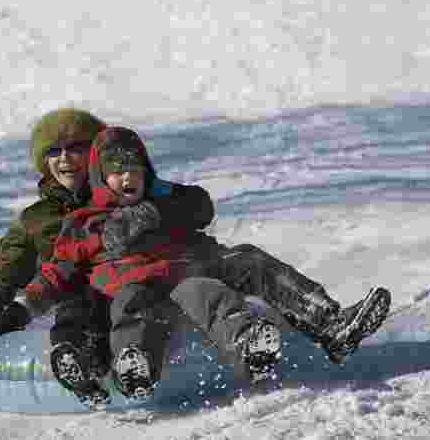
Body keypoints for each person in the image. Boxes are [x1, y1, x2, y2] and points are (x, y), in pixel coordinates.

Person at [0, 108, 216, 389]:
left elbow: (196, 211)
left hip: (148, 302)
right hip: (81, 313)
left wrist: (153, 211)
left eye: (76, 149)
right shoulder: (35, 221)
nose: (64, 159)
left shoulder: (134, 193)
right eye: (53, 152)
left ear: (98, 154)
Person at [26, 126, 286, 406]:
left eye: (134, 169)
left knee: (208, 292)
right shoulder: (88, 220)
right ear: (100, 178)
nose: (127, 176)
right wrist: (30, 299)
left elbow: (197, 210)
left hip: (178, 276)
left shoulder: (160, 204)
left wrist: (163, 205)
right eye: (117, 171)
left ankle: (248, 343)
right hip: (128, 285)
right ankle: (128, 366)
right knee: (124, 305)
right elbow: (62, 264)